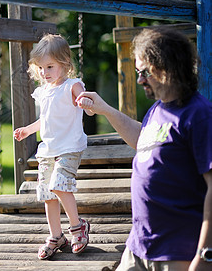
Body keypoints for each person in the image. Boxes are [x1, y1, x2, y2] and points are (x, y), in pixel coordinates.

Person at [76, 28, 212, 271]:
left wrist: (204, 256)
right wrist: (105, 109)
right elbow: (144, 140)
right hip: (138, 249)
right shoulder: (157, 110)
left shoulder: (200, 115)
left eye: (144, 72)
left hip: (178, 253)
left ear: (167, 68)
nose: (139, 80)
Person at [13, 34, 94, 260]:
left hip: (69, 147)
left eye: (49, 66)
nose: (44, 72)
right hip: (48, 150)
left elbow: (84, 101)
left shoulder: (72, 85)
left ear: (64, 63)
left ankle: (78, 227)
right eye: (40, 67)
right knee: (48, 193)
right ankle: (56, 235)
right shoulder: (44, 91)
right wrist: (28, 130)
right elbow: (46, 120)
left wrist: (86, 104)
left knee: (59, 185)